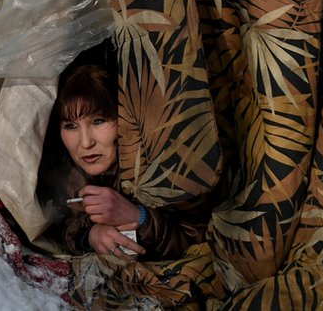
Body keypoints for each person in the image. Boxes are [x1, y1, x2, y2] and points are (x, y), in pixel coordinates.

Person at [38, 63, 207, 260]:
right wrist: (91, 235)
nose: (85, 142)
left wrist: (139, 218)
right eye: (71, 126)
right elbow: (54, 225)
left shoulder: (162, 166)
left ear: (125, 120)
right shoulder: (63, 172)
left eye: (98, 121)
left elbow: (203, 238)